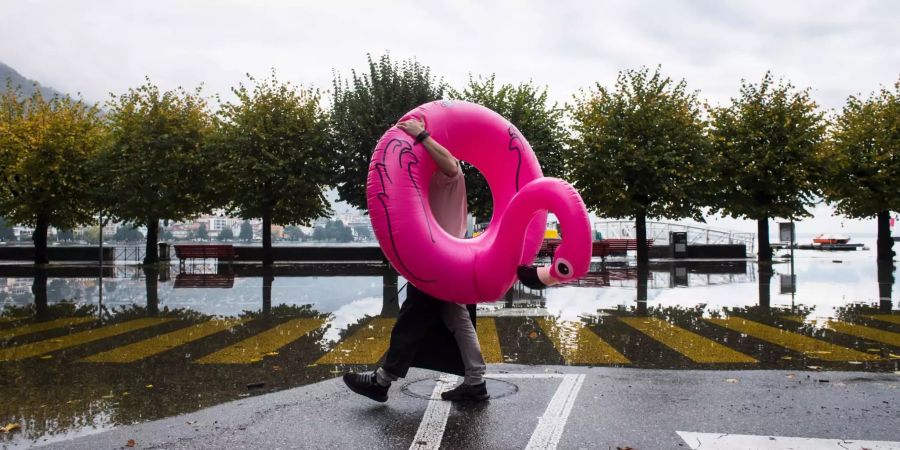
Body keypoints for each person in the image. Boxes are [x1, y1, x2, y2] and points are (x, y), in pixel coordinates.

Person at [342, 118, 489, 403]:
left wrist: (421, 135)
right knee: (458, 318)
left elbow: (450, 163)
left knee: (413, 316)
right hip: (447, 259)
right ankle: (476, 381)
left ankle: (382, 381)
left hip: (439, 260)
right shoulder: (427, 181)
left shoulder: (447, 174)